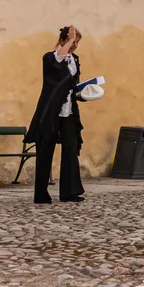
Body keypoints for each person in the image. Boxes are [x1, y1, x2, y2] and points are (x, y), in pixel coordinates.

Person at [27, 26, 90, 204]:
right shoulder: (50, 57)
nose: (75, 45)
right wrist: (69, 40)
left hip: (69, 111)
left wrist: (83, 93)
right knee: (45, 149)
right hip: (50, 110)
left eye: (77, 42)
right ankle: (41, 193)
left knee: (71, 148)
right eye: (73, 41)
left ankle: (70, 192)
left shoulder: (75, 60)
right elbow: (58, 61)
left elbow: (71, 84)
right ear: (63, 40)